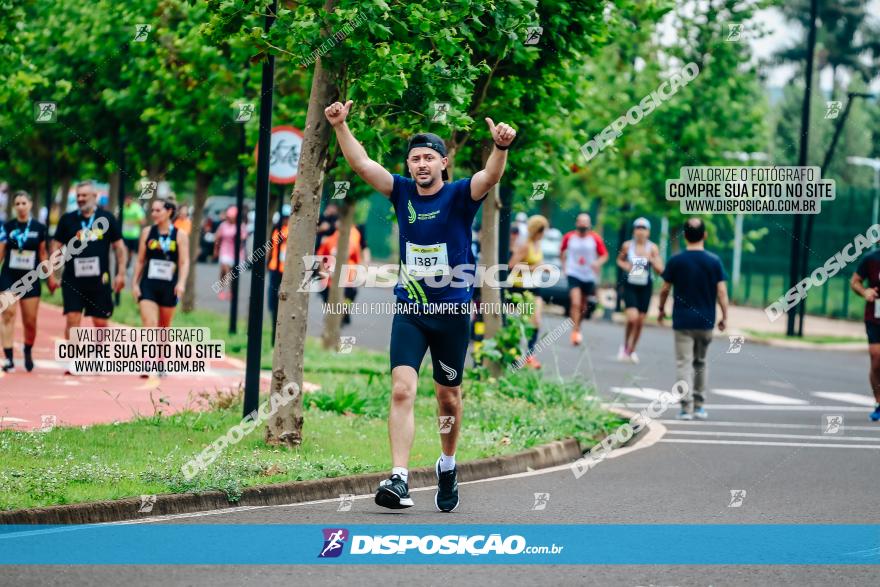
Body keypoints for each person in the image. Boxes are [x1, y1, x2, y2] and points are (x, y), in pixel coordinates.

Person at [324, 99, 515, 512]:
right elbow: (362, 165)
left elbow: (490, 176)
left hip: (451, 313)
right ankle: (399, 478)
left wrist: (499, 148)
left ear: (444, 163)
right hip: (410, 309)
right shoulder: (402, 192)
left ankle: (447, 464)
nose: (421, 164)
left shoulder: (462, 194)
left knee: (448, 398)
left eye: (429, 157)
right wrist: (340, 126)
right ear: (408, 165)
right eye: (415, 158)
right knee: (401, 389)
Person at [658, 218, 728, 421]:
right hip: (706, 321)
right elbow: (721, 291)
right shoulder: (714, 261)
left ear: (685, 235)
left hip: (682, 322)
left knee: (683, 364)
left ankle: (685, 408)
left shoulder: (676, 261)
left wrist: (661, 309)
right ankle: (699, 406)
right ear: (705, 235)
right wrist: (725, 316)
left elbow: (664, 289)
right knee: (701, 363)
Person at [51, 181, 126, 341]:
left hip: (99, 279)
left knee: (100, 322)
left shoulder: (107, 218)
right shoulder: (67, 219)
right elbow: (56, 247)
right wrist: (53, 274)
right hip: (73, 279)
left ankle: (99, 356)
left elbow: (119, 248)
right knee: (72, 318)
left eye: (84, 195)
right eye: (78, 195)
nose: (80, 198)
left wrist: (121, 274)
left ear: (94, 196)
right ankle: (72, 362)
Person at [0, 191, 58, 372]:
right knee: (7, 314)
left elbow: (42, 254)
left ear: (30, 205)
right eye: (17, 203)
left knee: (30, 321)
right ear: (14, 207)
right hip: (9, 275)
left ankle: (27, 350)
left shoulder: (39, 228)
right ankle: (9, 358)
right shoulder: (7, 227)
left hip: (30, 279)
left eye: (23, 203)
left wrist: (50, 278)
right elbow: (1, 252)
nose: (20, 206)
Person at [132, 197, 189, 327]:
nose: (154, 214)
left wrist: (181, 283)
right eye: (152, 210)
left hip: (169, 287)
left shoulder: (180, 235)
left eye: (158, 210)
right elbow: (140, 260)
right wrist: (134, 283)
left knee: (163, 329)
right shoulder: (147, 232)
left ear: (169, 211)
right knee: (150, 324)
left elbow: (184, 262)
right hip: (148, 285)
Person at [616, 217, 664, 363]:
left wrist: (652, 260)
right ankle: (625, 346)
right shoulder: (627, 246)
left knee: (640, 321)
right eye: (638, 228)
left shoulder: (652, 248)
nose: (641, 231)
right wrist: (627, 267)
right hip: (630, 284)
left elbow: (660, 270)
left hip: (645, 285)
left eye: (644, 228)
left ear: (648, 232)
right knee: (632, 318)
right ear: (634, 231)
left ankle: (632, 350)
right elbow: (619, 260)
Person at [507, 214, 549, 369]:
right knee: (517, 322)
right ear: (537, 231)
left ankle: (530, 355)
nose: (544, 234)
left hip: (534, 287)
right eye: (542, 231)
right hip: (519, 287)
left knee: (536, 321)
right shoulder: (525, 245)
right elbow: (512, 265)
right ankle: (513, 354)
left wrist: (544, 268)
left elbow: (539, 262)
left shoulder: (539, 245)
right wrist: (534, 268)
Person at [561, 213, 608, 346]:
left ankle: (578, 326)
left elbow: (604, 255)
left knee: (583, 306)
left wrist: (597, 263)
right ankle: (575, 331)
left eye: (585, 222)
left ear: (589, 224)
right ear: (576, 223)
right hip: (573, 272)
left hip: (588, 275)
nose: (583, 225)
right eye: (580, 222)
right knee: (575, 302)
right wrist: (565, 267)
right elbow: (562, 252)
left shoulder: (595, 238)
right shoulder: (569, 237)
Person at [849, 249, 880, 422]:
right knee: (876, 359)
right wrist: (865, 292)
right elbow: (855, 282)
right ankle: (878, 403)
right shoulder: (871, 258)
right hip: (875, 316)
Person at [316, 217, 362, 326]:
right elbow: (320, 257)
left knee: (350, 295)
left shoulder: (353, 240)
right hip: (331, 278)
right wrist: (323, 272)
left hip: (347, 278)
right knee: (326, 295)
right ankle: (333, 315)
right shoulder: (330, 240)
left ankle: (344, 311)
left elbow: (357, 259)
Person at [213, 206, 248, 301]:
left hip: (236, 252)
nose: (229, 218)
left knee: (233, 273)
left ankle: (231, 291)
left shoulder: (241, 226)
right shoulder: (223, 225)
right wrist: (215, 250)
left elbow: (243, 240)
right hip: (225, 250)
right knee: (225, 270)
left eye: (231, 216)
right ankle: (221, 290)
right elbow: (217, 238)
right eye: (228, 216)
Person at [267, 204, 290, 322]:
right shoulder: (276, 230)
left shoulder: (290, 229)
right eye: (284, 217)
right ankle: (273, 313)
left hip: (286, 268)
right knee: (273, 292)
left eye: (287, 217)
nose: (286, 220)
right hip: (275, 266)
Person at [121, 195, 145, 268]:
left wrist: (133, 222)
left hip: (134, 235)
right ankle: (124, 263)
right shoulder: (123, 207)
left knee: (130, 252)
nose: (127, 201)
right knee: (124, 250)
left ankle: (128, 262)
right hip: (124, 234)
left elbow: (143, 221)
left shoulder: (136, 208)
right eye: (125, 200)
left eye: (128, 200)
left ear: (131, 200)